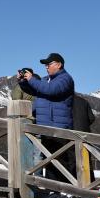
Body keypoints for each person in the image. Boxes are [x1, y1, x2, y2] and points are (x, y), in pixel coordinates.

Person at [18, 53, 75, 182]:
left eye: (49, 64)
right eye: (45, 65)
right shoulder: (45, 80)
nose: (46, 67)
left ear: (59, 65)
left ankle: (64, 189)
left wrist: (32, 79)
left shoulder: (65, 79)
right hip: (46, 126)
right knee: (49, 162)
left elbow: (51, 90)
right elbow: (34, 90)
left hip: (58, 127)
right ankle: (54, 189)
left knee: (60, 161)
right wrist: (23, 81)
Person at [72, 94, 96, 182]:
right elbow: (92, 118)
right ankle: (90, 181)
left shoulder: (63, 101)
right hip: (85, 134)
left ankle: (74, 181)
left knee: (71, 159)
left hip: (70, 134)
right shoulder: (83, 101)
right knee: (86, 159)